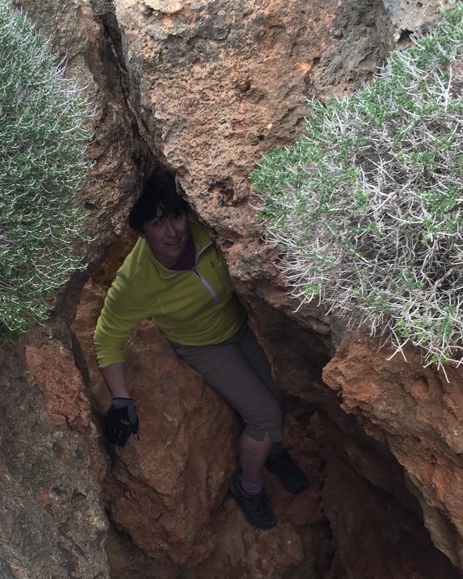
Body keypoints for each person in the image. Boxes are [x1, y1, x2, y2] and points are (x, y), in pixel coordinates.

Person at [93, 170, 308, 529]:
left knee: (277, 395)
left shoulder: (208, 231)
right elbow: (107, 336)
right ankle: (248, 487)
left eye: (175, 216)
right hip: (204, 345)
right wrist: (121, 400)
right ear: (142, 232)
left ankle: (273, 453)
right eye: (157, 223)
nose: (172, 231)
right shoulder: (137, 281)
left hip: (241, 324)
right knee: (265, 415)